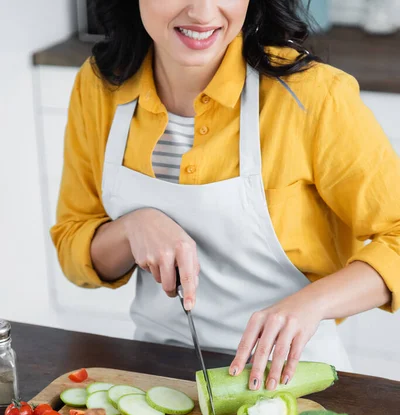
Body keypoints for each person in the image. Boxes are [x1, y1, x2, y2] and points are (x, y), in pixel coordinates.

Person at [51, 0, 400, 392]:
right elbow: (72, 244)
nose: (202, 12)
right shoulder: (100, 86)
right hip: (155, 374)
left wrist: (310, 304)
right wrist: (132, 228)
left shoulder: (313, 95)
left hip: (293, 378)